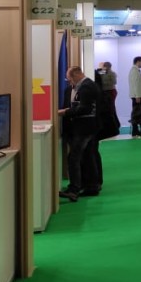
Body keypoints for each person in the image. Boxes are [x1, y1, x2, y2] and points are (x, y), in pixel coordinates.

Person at [58, 66, 100, 202]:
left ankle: (74, 189)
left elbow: (85, 108)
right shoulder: (87, 85)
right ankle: (91, 186)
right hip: (87, 128)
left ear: (76, 75)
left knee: (74, 158)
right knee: (88, 157)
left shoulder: (86, 87)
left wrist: (66, 112)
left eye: (69, 79)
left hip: (84, 128)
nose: (69, 82)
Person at [128, 56, 141, 137]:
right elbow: (135, 84)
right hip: (137, 96)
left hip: (138, 95)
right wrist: (137, 96)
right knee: (139, 114)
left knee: (138, 114)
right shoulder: (134, 71)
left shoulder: (136, 70)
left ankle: (137, 131)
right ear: (138, 61)